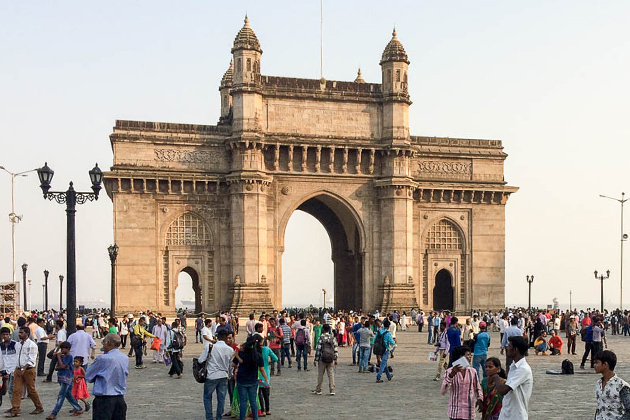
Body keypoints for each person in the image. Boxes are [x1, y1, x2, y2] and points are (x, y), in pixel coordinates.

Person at [85, 333, 129, 420]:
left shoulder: (102, 359)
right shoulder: (124, 358)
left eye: (104, 342)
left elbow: (88, 376)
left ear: (108, 343)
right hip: (120, 398)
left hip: (104, 399)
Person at [489, 336, 533, 420]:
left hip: (516, 415)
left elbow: (503, 390)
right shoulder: (513, 366)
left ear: (515, 350)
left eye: (509, 346)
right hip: (506, 413)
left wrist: (496, 377)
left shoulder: (523, 369)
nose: (507, 348)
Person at [7, 326, 44, 417]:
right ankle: (15, 408)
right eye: (19, 332)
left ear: (27, 334)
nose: (19, 334)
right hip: (18, 369)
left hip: (28, 370)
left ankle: (39, 406)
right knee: (16, 390)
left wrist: (23, 369)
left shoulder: (32, 345)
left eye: (21, 333)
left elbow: (32, 359)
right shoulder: (18, 344)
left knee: (31, 390)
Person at [441, 345, 483, 420]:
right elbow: (443, 390)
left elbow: (477, 388)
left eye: (470, 355)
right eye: (468, 355)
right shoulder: (449, 371)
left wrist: (480, 398)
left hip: (469, 412)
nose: (470, 357)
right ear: (460, 357)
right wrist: (451, 376)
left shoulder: (472, 371)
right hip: (455, 413)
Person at [200, 330, 234, 420]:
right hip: (224, 375)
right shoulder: (230, 350)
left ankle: (209, 417)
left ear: (217, 337)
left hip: (211, 375)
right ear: (226, 337)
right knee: (221, 398)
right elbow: (231, 366)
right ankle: (219, 417)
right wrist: (230, 375)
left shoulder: (210, 347)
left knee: (207, 397)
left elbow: (200, 360)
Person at [233, 334, 268, 420]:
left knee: (243, 401)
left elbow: (233, 364)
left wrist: (237, 357)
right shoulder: (258, 355)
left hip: (242, 379)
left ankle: (242, 418)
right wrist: (266, 381)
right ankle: (255, 418)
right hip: (253, 380)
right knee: (253, 401)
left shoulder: (241, 354)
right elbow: (262, 369)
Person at [45, 342, 83, 419]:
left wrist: (59, 358)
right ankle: (78, 408)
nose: (62, 350)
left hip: (67, 378)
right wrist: (60, 363)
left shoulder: (69, 357)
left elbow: (63, 365)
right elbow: (57, 367)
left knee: (61, 396)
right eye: (61, 349)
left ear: (68, 349)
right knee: (68, 394)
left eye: (63, 349)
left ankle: (54, 413)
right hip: (61, 377)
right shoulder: (62, 357)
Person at [594, 350, 630, 419]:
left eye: (597, 363)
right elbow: (599, 407)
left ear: (605, 365)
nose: (594, 365)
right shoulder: (598, 384)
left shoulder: (621, 385)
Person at [312, 323, 338, 396]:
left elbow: (318, 349)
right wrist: (335, 358)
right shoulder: (332, 338)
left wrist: (315, 359)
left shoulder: (321, 338)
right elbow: (335, 348)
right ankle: (332, 389)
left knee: (320, 374)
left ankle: (318, 389)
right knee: (331, 374)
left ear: (323, 329)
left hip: (322, 358)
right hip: (330, 358)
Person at [258, 336, 278, 417]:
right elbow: (275, 358)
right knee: (266, 394)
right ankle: (268, 409)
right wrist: (270, 361)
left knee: (259, 394)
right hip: (266, 375)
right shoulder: (267, 349)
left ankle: (262, 410)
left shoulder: (254, 351)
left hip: (258, 375)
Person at [375, 319, 395, 383]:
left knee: (384, 363)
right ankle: (378, 377)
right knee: (383, 363)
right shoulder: (388, 333)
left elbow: (375, 339)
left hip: (379, 349)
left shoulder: (379, 331)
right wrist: (394, 343)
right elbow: (391, 342)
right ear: (388, 326)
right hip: (385, 349)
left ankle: (388, 375)